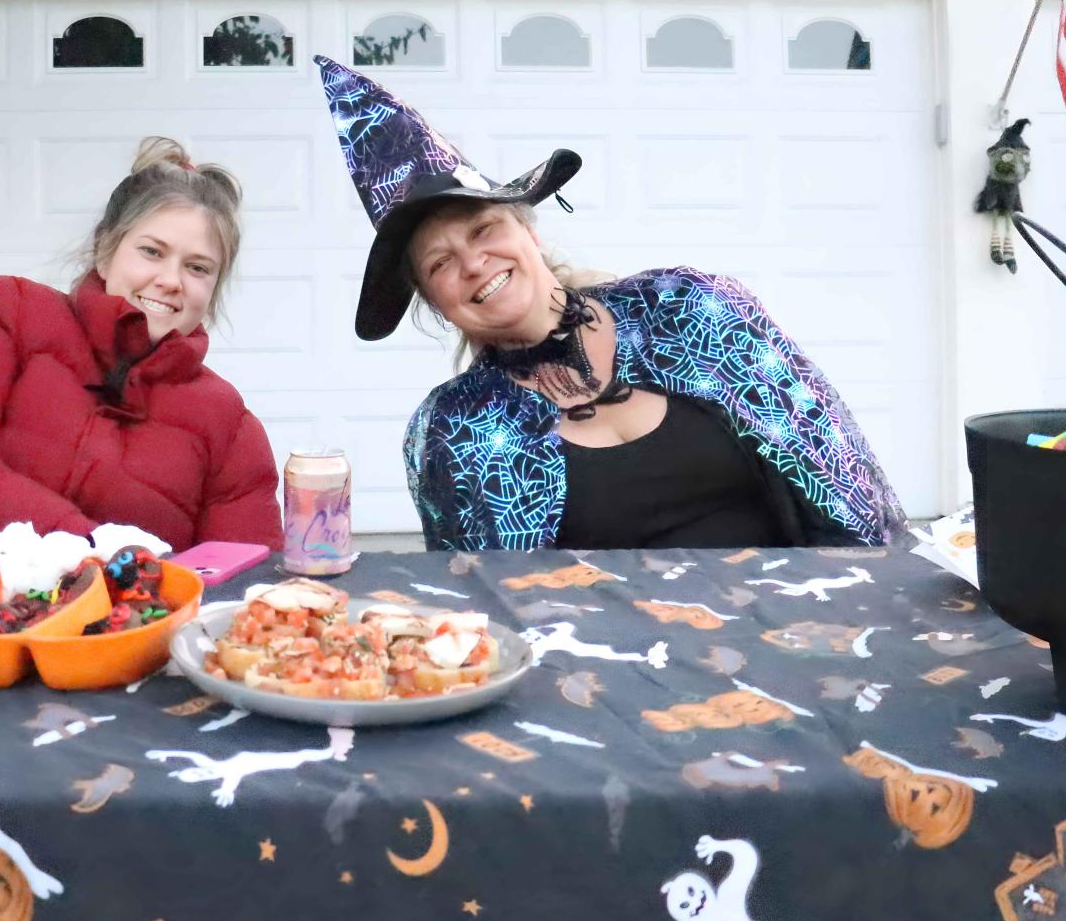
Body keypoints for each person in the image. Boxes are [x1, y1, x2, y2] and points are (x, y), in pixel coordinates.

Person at [314, 56, 903, 551]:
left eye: (483, 230)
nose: (472, 264)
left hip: (793, 634)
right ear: (438, 304)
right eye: (440, 264)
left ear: (530, 233)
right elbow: (481, 613)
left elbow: (843, 480)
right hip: (606, 670)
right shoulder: (457, 429)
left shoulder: (689, 309)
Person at [0, 138, 283, 551]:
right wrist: (87, 546)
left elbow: (244, 570)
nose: (170, 279)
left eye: (197, 267)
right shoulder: (5, 312)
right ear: (105, 250)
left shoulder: (229, 423)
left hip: (136, 615)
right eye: (151, 251)